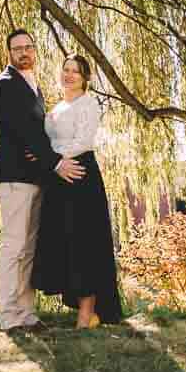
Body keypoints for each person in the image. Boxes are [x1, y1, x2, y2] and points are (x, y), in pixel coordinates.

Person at [0, 29, 84, 334]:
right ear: (9, 53)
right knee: (14, 247)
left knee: (29, 249)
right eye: (17, 49)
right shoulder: (5, 86)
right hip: (15, 178)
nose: (24, 52)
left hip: (34, 178)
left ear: (35, 50)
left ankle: (26, 313)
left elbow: (40, 133)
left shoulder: (33, 86)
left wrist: (45, 155)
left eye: (28, 47)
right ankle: (8, 316)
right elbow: (22, 132)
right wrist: (54, 161)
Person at [31, 54, 124, 327]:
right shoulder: (56, 108)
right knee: (65, 241)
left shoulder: (88, 103)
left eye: (76, 72)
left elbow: (83, 141)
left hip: (81, 174)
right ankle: (79, 308)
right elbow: (46, 141)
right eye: (66, 70)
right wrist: (53, 163)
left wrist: (53, 159)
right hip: (58, 177)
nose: (69, 75)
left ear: (85, 79)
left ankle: (87, 313)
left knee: (85, 243)